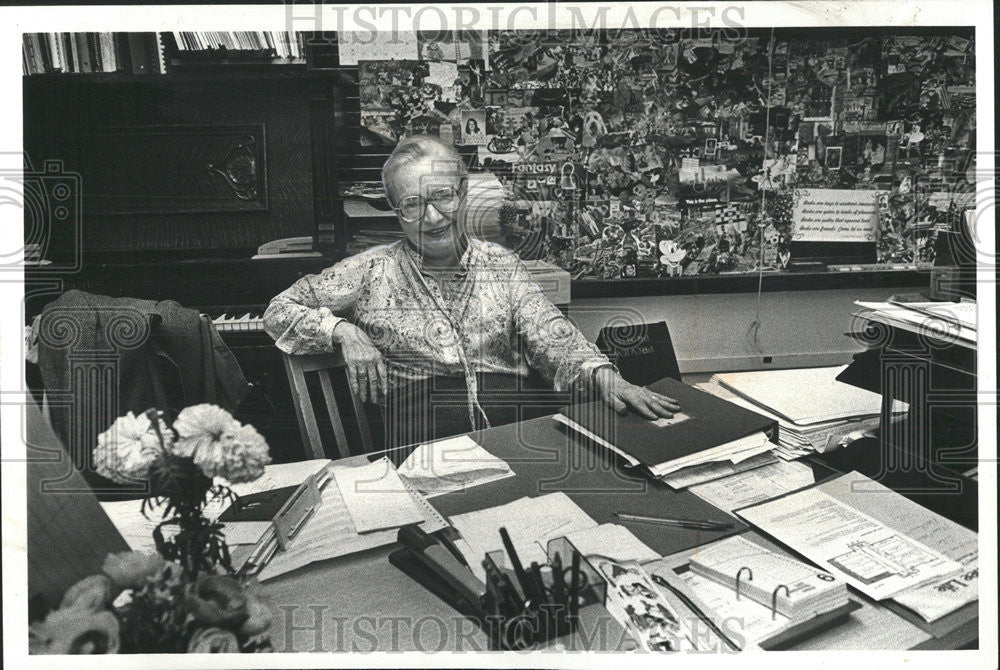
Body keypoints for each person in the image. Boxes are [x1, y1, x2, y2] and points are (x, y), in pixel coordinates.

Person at [264, 135, 678, 448]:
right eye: (411, 204)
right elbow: (279, 309)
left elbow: (550, 331)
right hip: (427, 442)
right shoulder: (370, 269)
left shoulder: (500, 263)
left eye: (442, 195)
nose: (431, 216)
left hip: (518, 428)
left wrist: (604, 376)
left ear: (461, 193)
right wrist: (343, 331)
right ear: (395, 211)